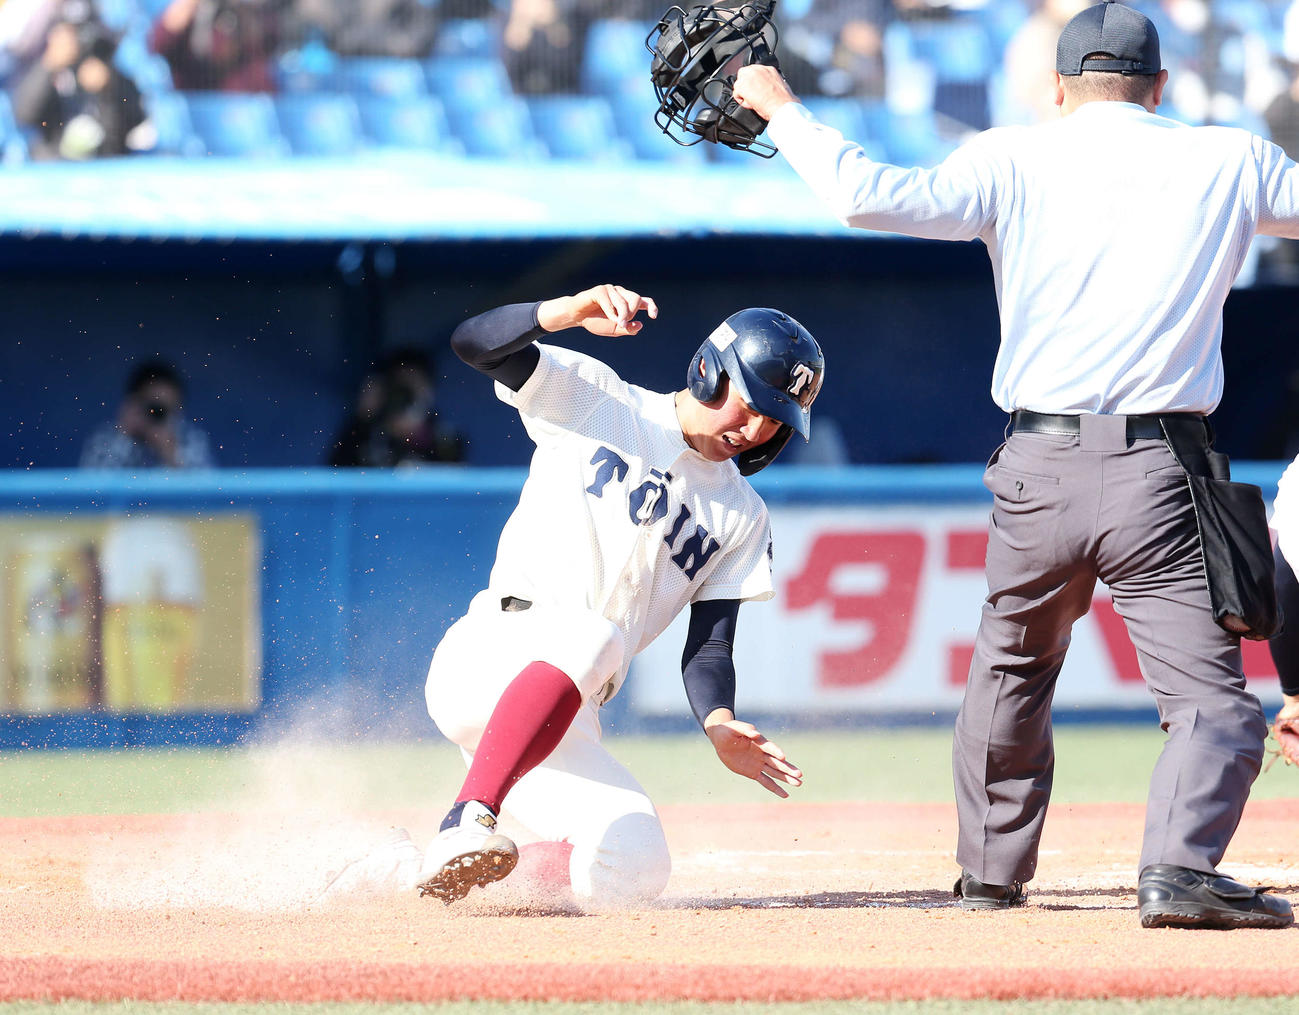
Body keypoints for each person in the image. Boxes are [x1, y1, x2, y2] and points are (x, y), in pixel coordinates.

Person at [732, 0, 1299, 929]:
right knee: (1210, 699)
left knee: (1011, 668)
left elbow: (865, 197)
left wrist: (780, 104)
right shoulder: (1227, 156)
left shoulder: (1011, 152)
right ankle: (1178, 872)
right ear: (1161, 87)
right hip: (1163, 472)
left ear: (1057, 88)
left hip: (1037, 463)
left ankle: (990, 873)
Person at [328, 283, 823, 908]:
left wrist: (719, 722)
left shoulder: (742, 514)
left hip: (567, 712)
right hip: (492, 656)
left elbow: (710, 648)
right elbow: (472, 344)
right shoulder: (603, 400)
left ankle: (405, 874)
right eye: (752, 404)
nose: (756, 429)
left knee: (632, 866)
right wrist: (561, 314)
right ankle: (469, 818)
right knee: (600, 633)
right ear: (710, 372)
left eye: (776, 421)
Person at [11, 11, 152, 160]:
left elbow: (136, 117)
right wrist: (49, 65)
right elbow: (24, 115)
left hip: (105, 164)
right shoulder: (51, 69)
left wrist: (109, 85)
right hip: (55, 164)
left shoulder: (107, 67)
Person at [327, 347, 465, 467]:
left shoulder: (444, 437)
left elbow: (455, 484)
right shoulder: (365, 434)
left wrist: (417, 434)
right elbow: (335, 478)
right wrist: (362, 420)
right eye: (399, 389)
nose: (404, 397)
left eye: (411, 389)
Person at [80, 360, 216, 469]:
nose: (157, 415)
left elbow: (205, 494)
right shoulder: (105, 439)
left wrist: (171, 457)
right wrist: (123, 437)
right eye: (153, 407)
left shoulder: (190, 439)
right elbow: (91, 491)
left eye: (165, 410)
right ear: (135, 402)